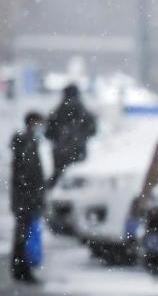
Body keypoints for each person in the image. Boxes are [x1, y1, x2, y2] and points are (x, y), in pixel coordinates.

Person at [9, 112, 48, 283]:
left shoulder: (29, 143)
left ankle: (20, 268)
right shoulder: (26, 144)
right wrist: (35, 197)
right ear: (32, 123)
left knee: (23, 234)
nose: (41, 127)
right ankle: (22, 269)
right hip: (26, 199)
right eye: (39, 123)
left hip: (25, 199)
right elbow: (28, 175)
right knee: (24, 235)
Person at [45, 84, 97, 184]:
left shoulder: (57, 112)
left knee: (58, 179)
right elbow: (93, 131)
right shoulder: (83, 112)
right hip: (78, 151)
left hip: (60, 152)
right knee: (76, 179)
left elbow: (48, 134)